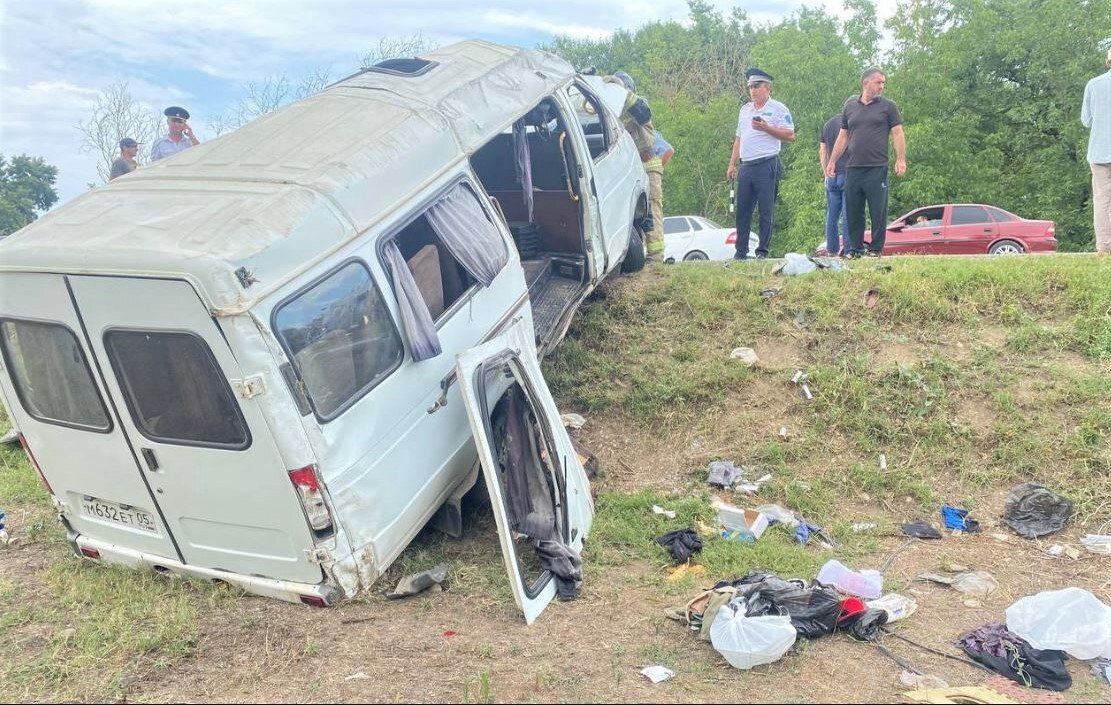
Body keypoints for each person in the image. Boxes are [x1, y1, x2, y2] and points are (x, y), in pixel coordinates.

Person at [825, 67, 907, 258]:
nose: (882, 87)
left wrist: (901, 159)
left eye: (883, 83)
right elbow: (843, 136)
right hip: (852, 167)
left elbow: (898, 133)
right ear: (865, 83)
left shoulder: (888, 106)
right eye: (879, 82)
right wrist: (832, 161)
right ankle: (855, 248)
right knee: (853, 211)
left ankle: (876, 249)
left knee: (877, 210)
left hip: (877, 166)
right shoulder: (850, 107)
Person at [726, 68, 795, 259]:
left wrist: (766, 127)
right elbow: (739, 138)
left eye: (757, 86)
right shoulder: (745, 110)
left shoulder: (779, 108)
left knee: (765, 210)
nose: (753, 90)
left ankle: (762, 251)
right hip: (746, 165)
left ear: (767, 87)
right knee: (743, 211)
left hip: (767, 163)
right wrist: (732, 164)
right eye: (750, 87)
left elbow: (790, 135)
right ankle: (741, 251)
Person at [608, 71, 666, 261]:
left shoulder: (639, 107)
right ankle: (636, 257)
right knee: (635, 213)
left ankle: (656, 255)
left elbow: (639, 113)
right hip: (632, 169)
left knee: (651, 210)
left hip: (648, 166)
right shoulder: (614, 114)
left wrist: (617, 88)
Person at [1082, 48, 1111, 254]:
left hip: (1100, 152)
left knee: (1102, 202)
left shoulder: (1094, 84)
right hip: (1100, 152)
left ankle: (1103, 247)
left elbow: (1086, 121)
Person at [819, 112, 849, 256]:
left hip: (831, 175)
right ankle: (849, 249)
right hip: (848, 173)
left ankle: (831, 249)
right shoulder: (850, 123)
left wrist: (826, 174)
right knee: (848, 214)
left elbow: (822, 151)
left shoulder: (828, 124)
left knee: (832, 215)